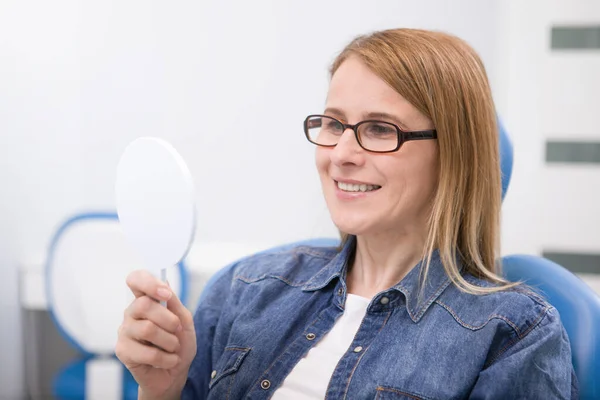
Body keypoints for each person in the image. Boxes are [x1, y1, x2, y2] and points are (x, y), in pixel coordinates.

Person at [116, 28, 578, 399]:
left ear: (454, 154)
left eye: (379, 129)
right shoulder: (245, 288)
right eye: (333, 123)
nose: (340, 153)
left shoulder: (514, 335)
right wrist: (162, 389)